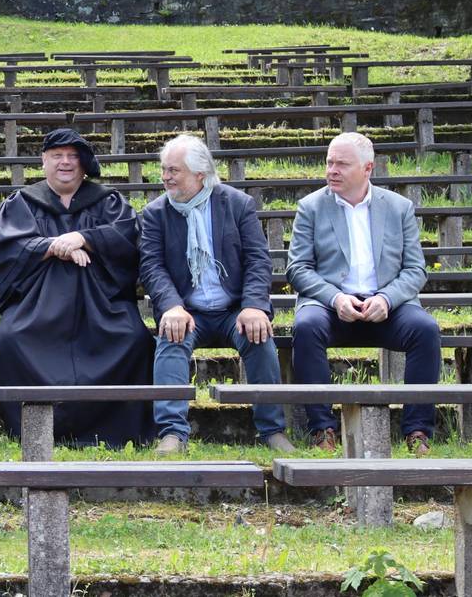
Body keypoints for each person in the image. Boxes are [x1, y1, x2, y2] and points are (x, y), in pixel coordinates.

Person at [0, 128, 155, 447]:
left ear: (83, 163)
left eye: (73, 156)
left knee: (135, 340)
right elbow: (4, 252)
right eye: (57, 156)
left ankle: (115, 431)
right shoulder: (22, 203)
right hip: (38, 307)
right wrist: (53, 246)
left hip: (100, 306)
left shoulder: (108, 202)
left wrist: (85, 238)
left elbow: (128, 241)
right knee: (6, 342)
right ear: (43, 161)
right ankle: (35, 428)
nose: (65, 163)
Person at [286, 132, 441, 456]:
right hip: (330, 305)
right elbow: (298, 269)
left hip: (387, 306)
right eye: (329, 162)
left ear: (367, 168)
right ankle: (322, 429)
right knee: (306, 326)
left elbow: (416, 270)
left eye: (341, 164)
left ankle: (417, 431)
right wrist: (335, 298)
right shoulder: (311, 207)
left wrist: (386, 298)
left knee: (426, 330)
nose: (332, 170)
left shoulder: (399, 207)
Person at [140, 135, 294, 454]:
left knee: (260, 336)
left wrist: (253, 306)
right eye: (164, 169)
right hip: (187, 310)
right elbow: (152, 266)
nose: (165, 176)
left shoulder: (237, 204)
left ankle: (272, 430)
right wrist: (171, 306)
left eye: (173, 170)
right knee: (170, 338)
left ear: (200, 174)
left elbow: (256, 259)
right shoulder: (156, 213)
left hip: (233, 309)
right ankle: (172, 433)